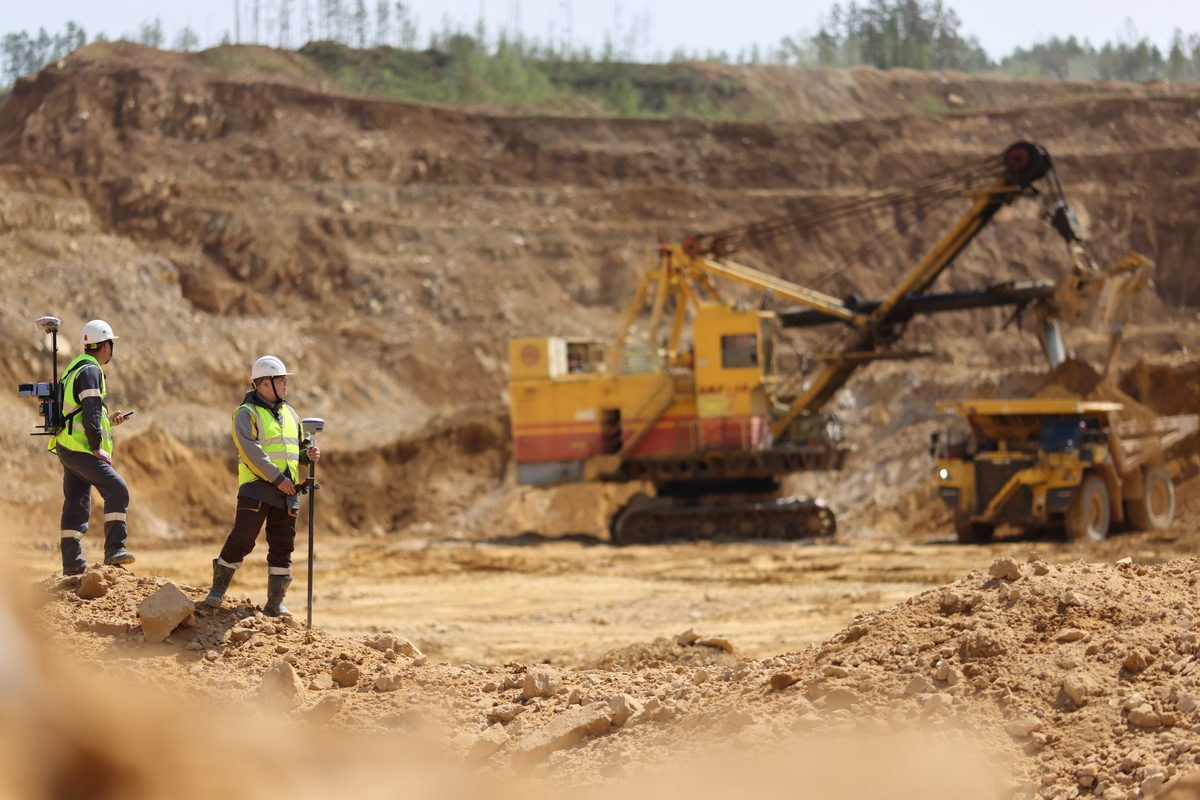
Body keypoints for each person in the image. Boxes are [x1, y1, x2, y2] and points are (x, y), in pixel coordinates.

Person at [204, 355, 320, 616]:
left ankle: (275, 603)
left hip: (287, 493)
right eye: (281, 380)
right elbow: (251, 452)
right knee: (242, 539)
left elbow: (296, 451)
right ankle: (217, 591)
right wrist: (278, 480)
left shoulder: (291, 414)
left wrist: (307, 455)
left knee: (283, 546)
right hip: (258, 488)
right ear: (264, 383)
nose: (286, 385)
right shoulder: (245, 414)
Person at [50, 320, 135, 576]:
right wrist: (98, 446)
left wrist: (109, 422)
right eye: (112, 344)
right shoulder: (91, 371)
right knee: (117, 489)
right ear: (106, 346)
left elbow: (80, 413)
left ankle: (72, 565)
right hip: (82, 448)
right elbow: (89, 411)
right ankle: (115, 550)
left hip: (68, 446)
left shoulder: (74, 368)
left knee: (76, 503)